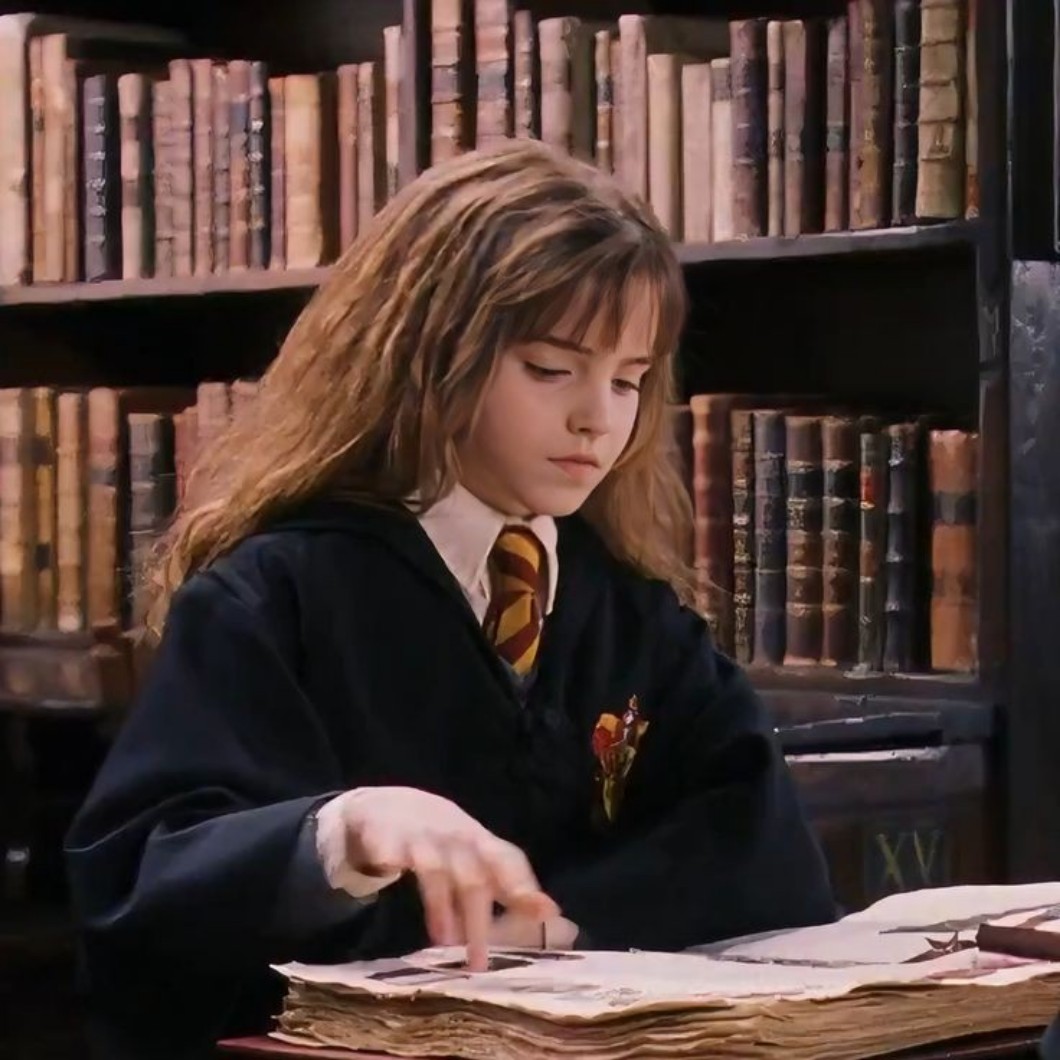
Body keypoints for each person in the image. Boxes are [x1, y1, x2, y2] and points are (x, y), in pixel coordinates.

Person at [64, 139, 837, 1059]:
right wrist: (345, 832)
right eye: (550, 369)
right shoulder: (275, 598)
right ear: (429, 356)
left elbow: (759, 851)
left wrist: (552, 926)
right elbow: (140, 891)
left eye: (629, 380)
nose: (598, 417)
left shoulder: (630, 614)